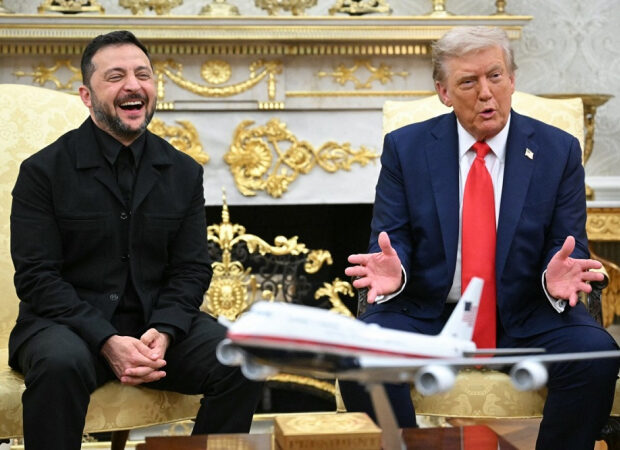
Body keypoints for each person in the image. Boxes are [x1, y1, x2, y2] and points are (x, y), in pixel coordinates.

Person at [341, 26, 619, 449]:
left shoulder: (557, 150)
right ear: (444, 92)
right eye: (468, 82)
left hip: (526, 312)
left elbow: (567, 245)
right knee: (358, 354)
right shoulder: (406, 148)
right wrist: (396, 270)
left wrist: (553, 277)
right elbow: (390, 238)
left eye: (495, 76)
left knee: (594, 354)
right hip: (430, 311)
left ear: (512, 79)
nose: (486, 93)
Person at [8, 30, 262, 450]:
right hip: (67, 327)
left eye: (143, 75)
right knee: (59, 364)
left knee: (244, 359)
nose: (133, 85)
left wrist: (165, 329)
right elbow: (37, 278)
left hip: (154, 328)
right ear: (87, 96)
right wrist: (105, 340)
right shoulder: (43, 172)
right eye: (115, 76)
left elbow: (191, 269)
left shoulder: (184, 171)